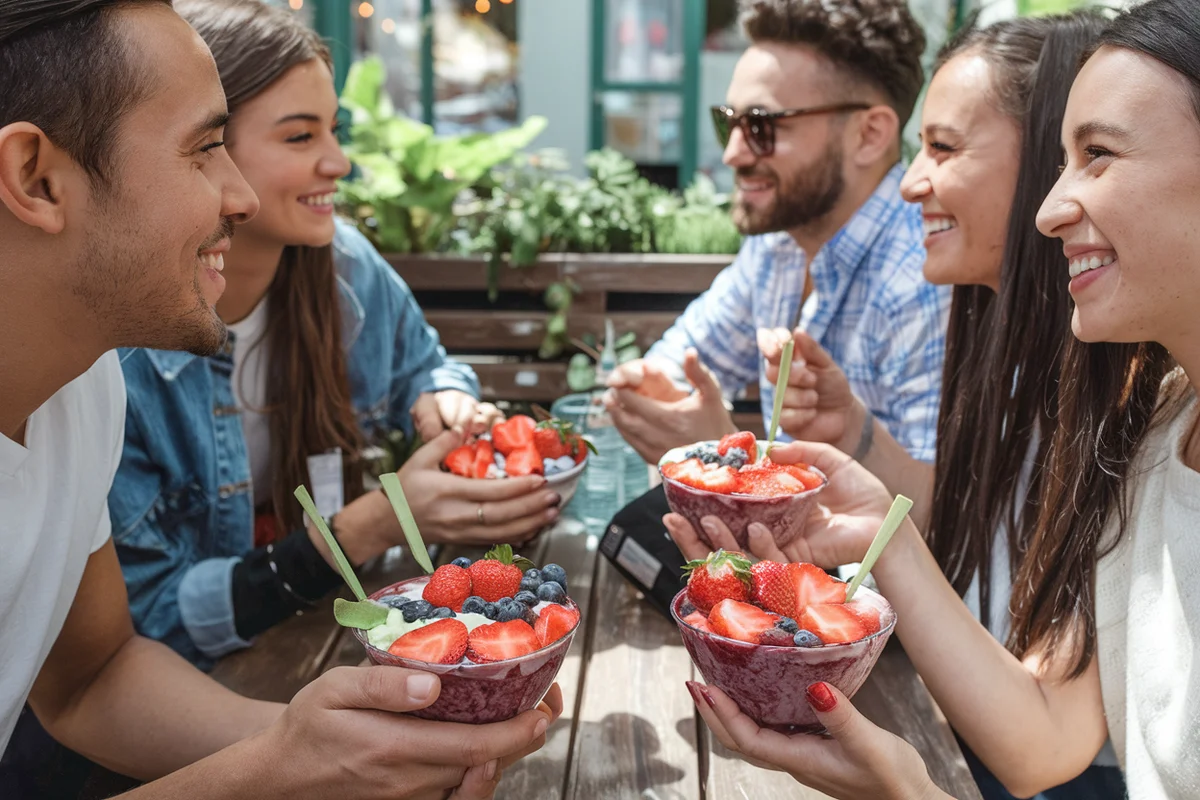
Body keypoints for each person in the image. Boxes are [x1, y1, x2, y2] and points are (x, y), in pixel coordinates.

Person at [0, 2, 557, 797]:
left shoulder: (79, 390)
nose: (241, 196)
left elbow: (93, 678)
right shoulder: (115, 366)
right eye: (202, 149)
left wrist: (343, 746)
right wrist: (281, 763)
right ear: (36, 177)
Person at [676, 0, 1200, 796]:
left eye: (1096, 155)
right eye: (1064, 160)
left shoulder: (1126, 401)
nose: (1055, 207)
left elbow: (1045, 750)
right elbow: (1045, 723)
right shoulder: (1156, 423)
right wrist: (872, 497)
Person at [108, 0, 563, 671]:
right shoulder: (125, 347)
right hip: (202, 679)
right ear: (205, 149)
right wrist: (375, 522)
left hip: (334, 632)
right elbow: (147, 619)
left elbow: (429, 366)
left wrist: (442, 399)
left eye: (334, 130)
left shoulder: (345, 266)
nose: (339, 162)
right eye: (300, 138)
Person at [604, 0, 950, 468]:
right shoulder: (779, 245)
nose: (732, 153)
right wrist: (657, 393)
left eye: (761, 126)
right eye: (727, 121)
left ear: (869, 135)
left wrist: (725, 452)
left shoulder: (925, 280)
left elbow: (928, 522)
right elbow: (682, 362)